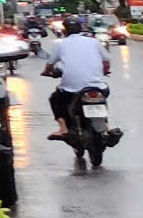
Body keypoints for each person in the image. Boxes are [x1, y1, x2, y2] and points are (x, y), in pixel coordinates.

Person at [43, 19, 112, 160]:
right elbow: (106, 61)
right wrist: (105, 70)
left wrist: (47, 72)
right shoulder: (94, 42)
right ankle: (107, 127)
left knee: (55, 99)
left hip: (71, 89)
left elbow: (50, 65)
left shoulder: (60, 44)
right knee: (102, 98)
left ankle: (63, 129)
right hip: (98, 87)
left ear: (64, 30)